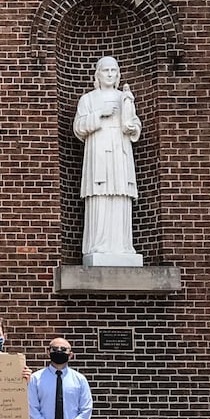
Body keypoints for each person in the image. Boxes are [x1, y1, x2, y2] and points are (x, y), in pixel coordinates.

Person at [75, 55, 142, 264]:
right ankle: (99, 244)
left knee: (120, 193)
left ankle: (122, 245)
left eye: (114, 71)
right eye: (106, 71)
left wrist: (132, 127)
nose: (110, 75)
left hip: (120, 150)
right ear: (98, 74)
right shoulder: (88, 99)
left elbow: (134, 123)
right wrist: (100, 114)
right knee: (100, 194)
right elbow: (79, 127)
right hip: (98, 152)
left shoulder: (125, 97)